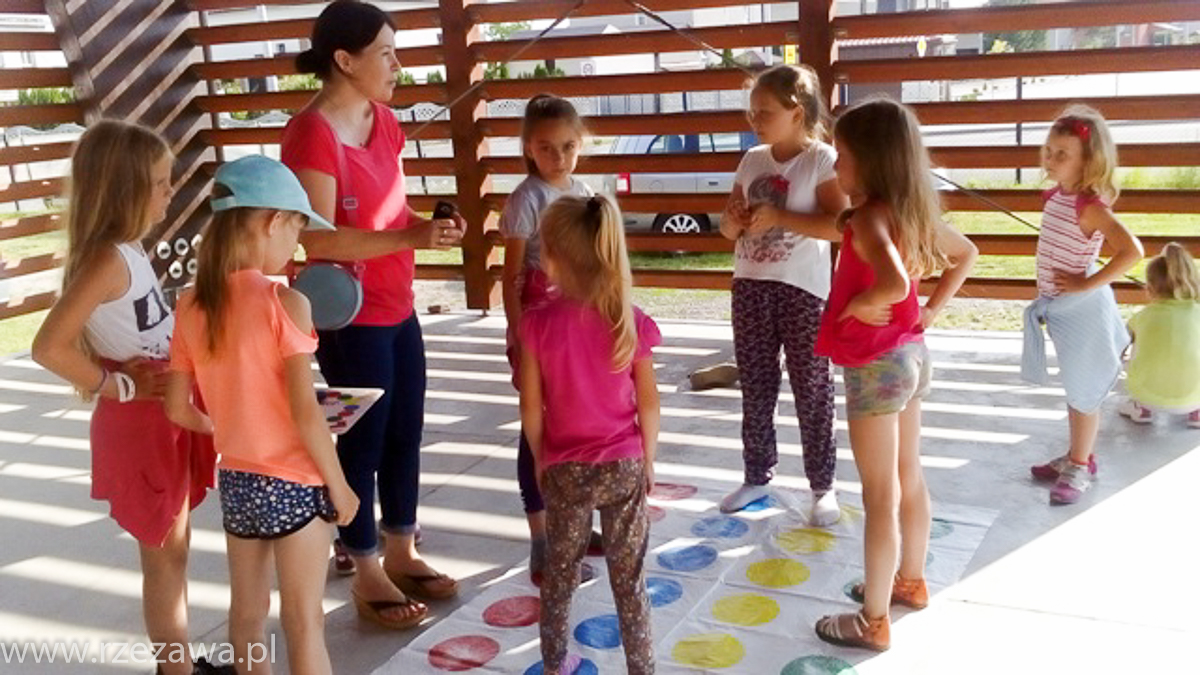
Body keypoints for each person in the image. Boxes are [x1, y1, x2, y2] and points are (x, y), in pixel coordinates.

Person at [281, 0, 462, 623]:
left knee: (406, 430)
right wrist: (411, 237)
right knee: (363, 442)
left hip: (397, 304)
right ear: (344, 59)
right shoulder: (310, 132)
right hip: (350, 316)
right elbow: (318, 239)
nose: (397, 66)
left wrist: (429, 229)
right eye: (386, 53)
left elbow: (393, 213)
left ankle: (401, 549)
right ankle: (365, 570)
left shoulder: (384, 121)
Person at [31, 120, 228, 675]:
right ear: (125, 190)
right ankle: (175, 670)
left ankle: (179, 662)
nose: (170, 191)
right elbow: (48, 346)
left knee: (175, 552)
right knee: (164, 560)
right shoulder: (107, 259)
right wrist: (119, 385)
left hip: (164, 415)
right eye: (160, 183)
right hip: (143, 425)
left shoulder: (128, 250)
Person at [166, 156, 359, 674]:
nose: (296, 243)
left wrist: (223, 426)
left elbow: (177, 407)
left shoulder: (190, 305)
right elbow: (304, 411)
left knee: (247, 619)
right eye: (297, 227)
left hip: (238, 482)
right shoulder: (285, 302)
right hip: (295, 481)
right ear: (273, 221)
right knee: (304, 621)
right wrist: (340, 486)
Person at [811, 98, 978, 651]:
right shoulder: (908, 211)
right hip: (911, 356)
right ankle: (910, 580)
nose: (836, 165)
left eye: (841, 155)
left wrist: (863, 304)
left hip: (876, 365)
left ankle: (873, 620)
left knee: (879, 495)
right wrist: (930, 312)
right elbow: (966, 254)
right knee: (910, 475)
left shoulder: (869, 219)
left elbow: (895, 283)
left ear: (871, 161)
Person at [521, 195, 660, 675]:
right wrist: (648, 459)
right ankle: (642, 667)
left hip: (566, 470)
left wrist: (540, 458)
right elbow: (649, 403)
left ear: (552, 257)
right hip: (624, 465)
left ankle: (555, 663)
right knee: (630, 578)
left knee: (560, 574)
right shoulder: (628, 319)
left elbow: (531, 406)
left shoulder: (536, 324)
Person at [717, 64, 850, 523]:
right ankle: (757, 476)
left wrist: (780, 218)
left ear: (797, 112)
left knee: (812, 388)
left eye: (765, 112)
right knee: (756, 385)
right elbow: (727, 228)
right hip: (750, 285)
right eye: (752, 111)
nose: (755, 120)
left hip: (803, 290)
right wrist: (733, 220)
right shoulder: (752, 159)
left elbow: (841, 226)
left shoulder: (821, 160)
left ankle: (823, 486)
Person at [499, 94, 602, 585]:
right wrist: (521, 338)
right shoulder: (526, 198)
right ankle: (541, 537)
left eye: (567, 146)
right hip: (538, 328)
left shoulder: (584, 192)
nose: (558, 157)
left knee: (580, 419)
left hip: (577, 326)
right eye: (546, 148)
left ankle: (577, 521)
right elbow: (512, 277)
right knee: (536, 428)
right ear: (528, 148)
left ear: (580, 144)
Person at [1024, 105, 1144, 505]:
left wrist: (1086, 283)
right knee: (1076, 387)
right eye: (1049, 151)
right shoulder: (1057, 196)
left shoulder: (1090, 206)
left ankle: (1080, 465)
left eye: (1063, 154)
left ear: (1088, 161)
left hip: (1083, 313)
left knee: (1084, 390)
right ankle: (1078, 453)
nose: (1050, 159)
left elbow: (1132, 250)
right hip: (1063, 311)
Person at [1117, 242, 1200, 428]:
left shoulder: (1140, 317)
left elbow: (1118, 348)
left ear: (1150, 287)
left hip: (1147, 396)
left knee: (1138, 345)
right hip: (1195, 397)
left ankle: (1141, 409)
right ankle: (1196, 412)